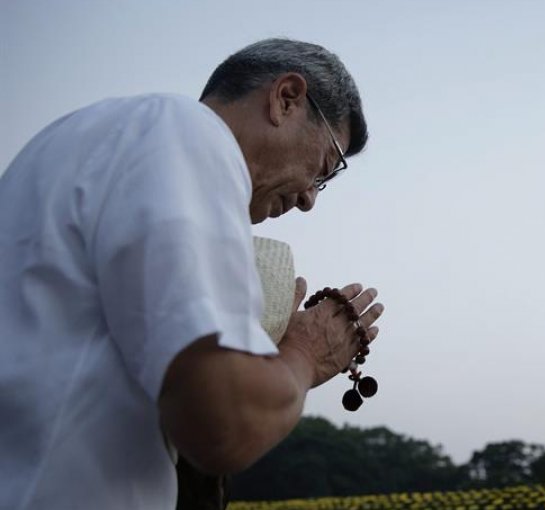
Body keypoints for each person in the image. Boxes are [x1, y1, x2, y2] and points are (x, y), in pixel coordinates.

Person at [0, 38, 384, 510]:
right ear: (286, 98)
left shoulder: (78, 140)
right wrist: (305, 355)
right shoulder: (188, 136)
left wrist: (254, 350)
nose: (309, 199)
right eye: (323, 169)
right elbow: (222, 427)